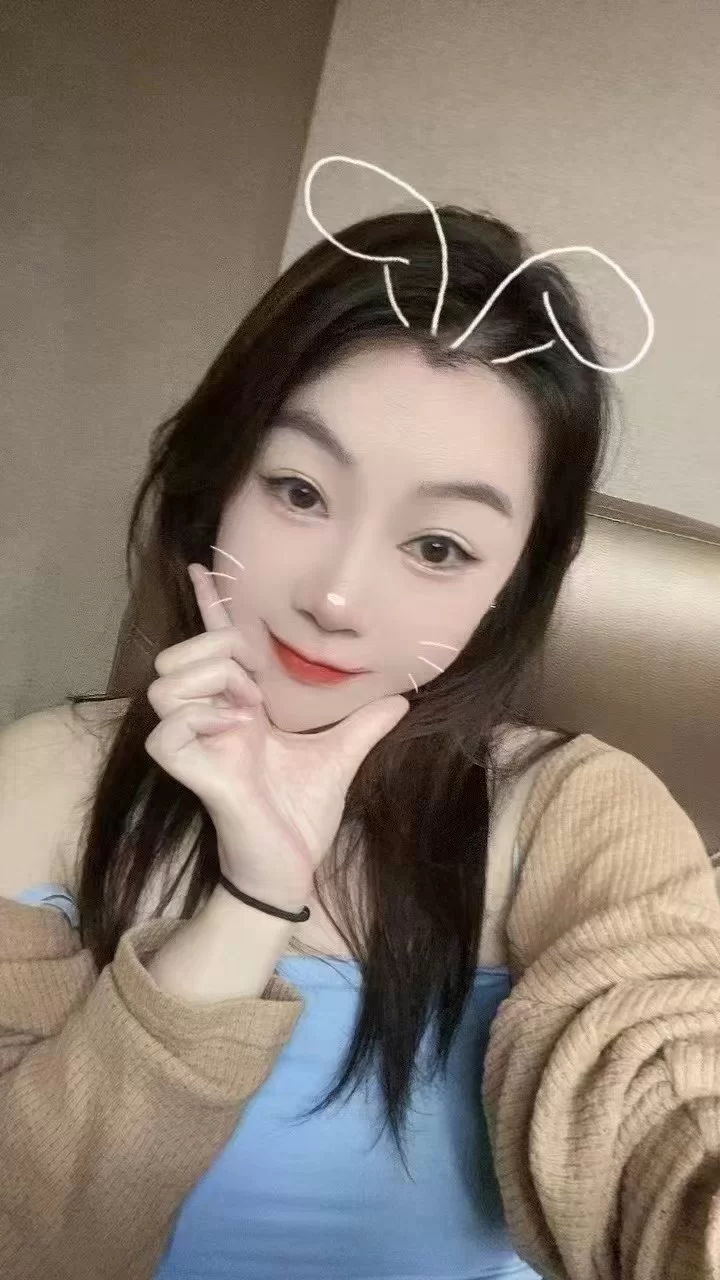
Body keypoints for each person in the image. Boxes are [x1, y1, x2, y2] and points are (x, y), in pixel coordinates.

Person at [1, 199, 720, 1280]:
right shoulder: (43, 780)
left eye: (438, 546)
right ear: (218, 481)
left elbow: (663, 1092)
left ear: (512, 582)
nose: (335, 598)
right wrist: (252, 898)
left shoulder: (573, 809)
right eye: (298, 491)